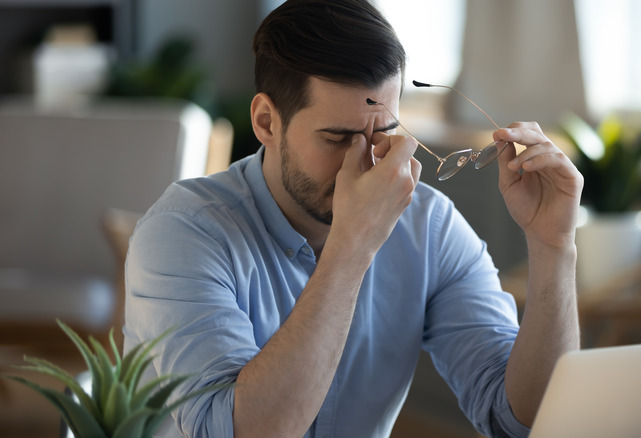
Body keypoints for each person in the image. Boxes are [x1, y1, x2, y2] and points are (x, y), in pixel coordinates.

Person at [123, 0, 583, 437]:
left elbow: (520, 421)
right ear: (266, 122)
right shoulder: (182, 232)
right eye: (337, 137)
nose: (362, 163)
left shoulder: (429, 228)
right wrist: (353, 244)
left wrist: (554, 246)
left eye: (383, 133)